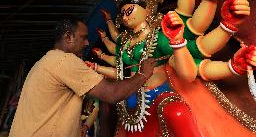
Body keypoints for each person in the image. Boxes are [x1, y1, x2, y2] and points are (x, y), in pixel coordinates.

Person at [87, 0, 256, 137]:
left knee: (177, 113)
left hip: (164, 95)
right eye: (122, 14)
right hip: (132, 105)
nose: (125, 17)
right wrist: (97, 66)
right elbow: (120, 72)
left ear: (148, 7)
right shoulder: (124, 42)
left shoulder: (161, 33)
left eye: (129, 10)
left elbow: (196, 54)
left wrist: (216, 9)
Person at [8, 18, 156, 137]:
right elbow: (112, 94)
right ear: (68, 37)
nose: (87, 43)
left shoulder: (44, 62)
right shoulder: (64, 61)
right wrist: (142, 74)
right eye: (83, 38)